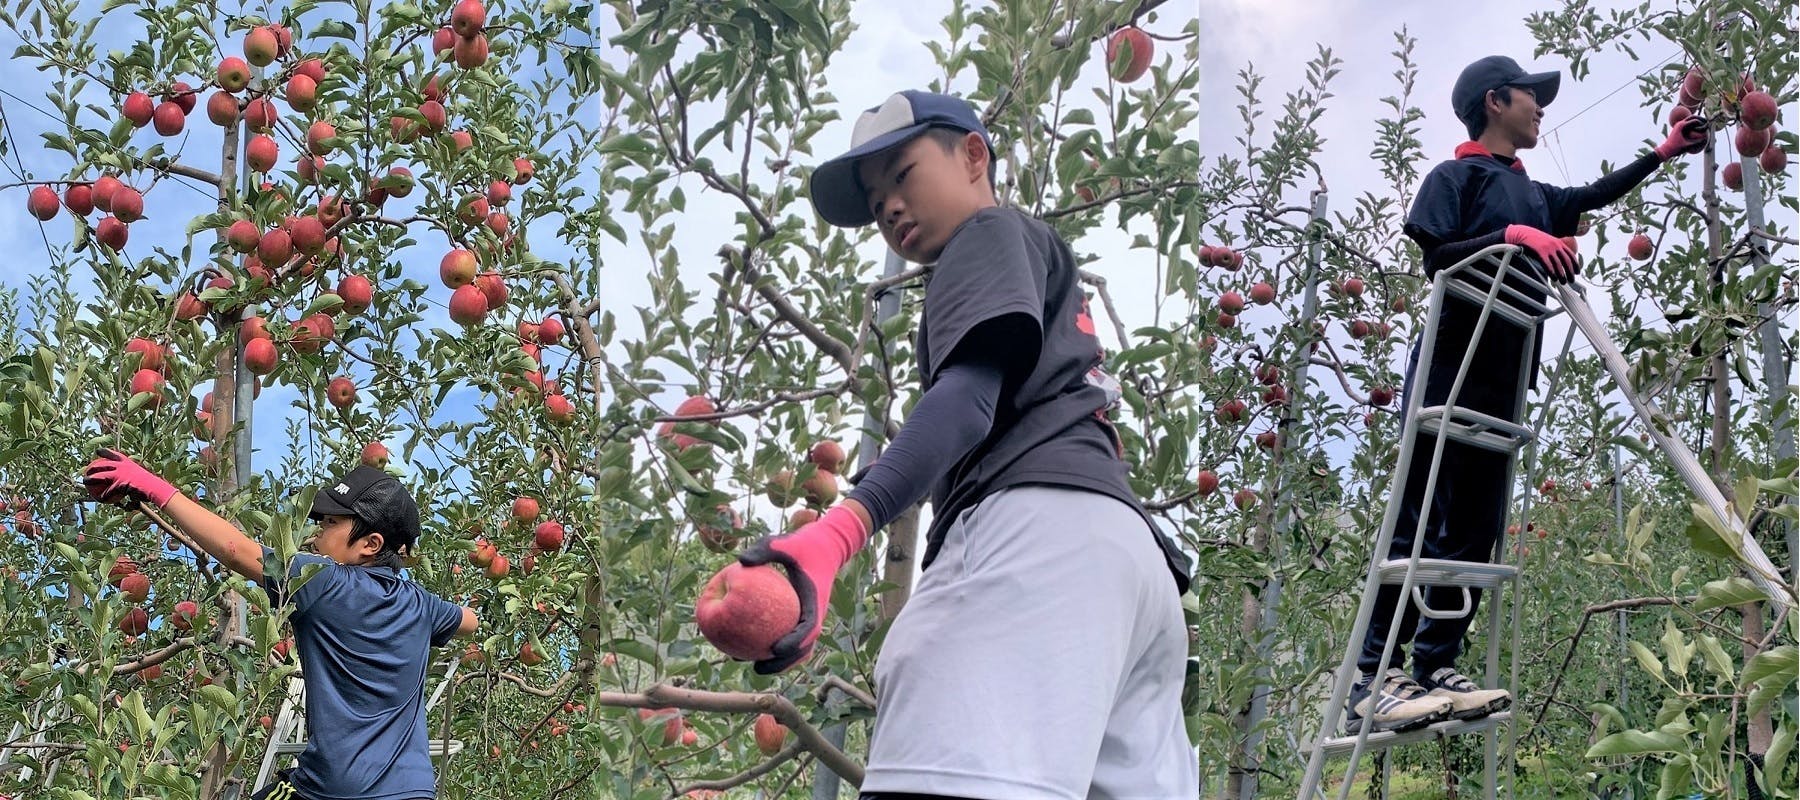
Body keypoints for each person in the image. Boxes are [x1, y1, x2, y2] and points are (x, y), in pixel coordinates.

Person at [724, 90, 1198, 799]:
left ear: (974, 155)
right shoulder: (1039, 261)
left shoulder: (988, 233)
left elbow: (968, 398)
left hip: (1036, 537)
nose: (889, 208)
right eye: (875, 201)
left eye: (902, 175)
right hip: (1131, 568)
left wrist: (837, 532)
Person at [1347, 55, 1710, 734]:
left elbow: (1596, 193)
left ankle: (1435, 662)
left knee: (1476, 529)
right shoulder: (1454, 177)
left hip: (1504, 381)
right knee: (1418, 519)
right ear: (1495, 101)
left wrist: (1664, 151)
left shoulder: (1534, 191)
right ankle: (1374, 676)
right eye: (1530, 96)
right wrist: (1513, 237)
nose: (1540, 107)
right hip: (1448, 371)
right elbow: (1437, 258)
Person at [83, 449, 480, 799]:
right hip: (412, 789)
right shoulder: (422, 605)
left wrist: (156, 489)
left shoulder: (323, 582)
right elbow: (469, 620)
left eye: (330, 524)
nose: (318, 533)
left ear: (370, 544)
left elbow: (237, 551)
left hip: (335, 788)